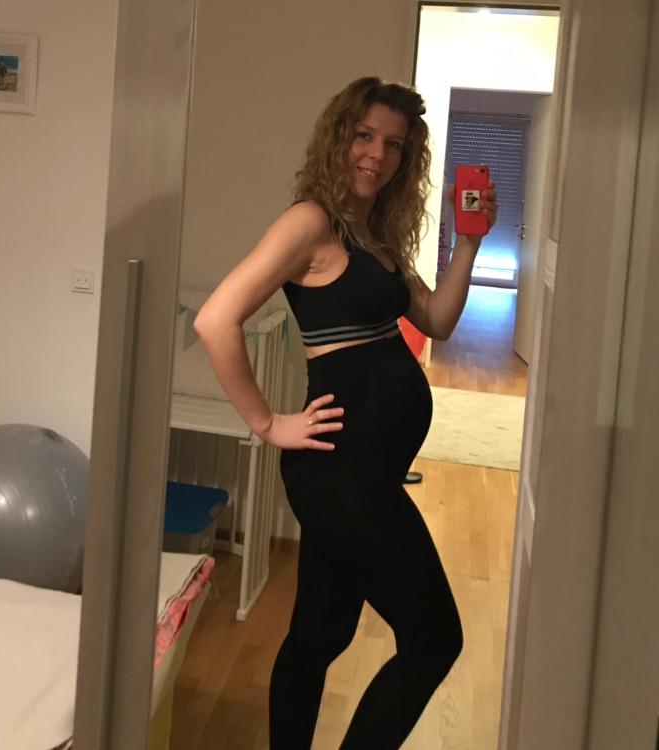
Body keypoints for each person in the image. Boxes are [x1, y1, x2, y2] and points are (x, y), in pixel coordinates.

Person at [194, 76, 497, 749]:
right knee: (434, 640)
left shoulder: (374, 232)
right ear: (339, 137)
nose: (376, 155)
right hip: (340, 472)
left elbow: (437, 319)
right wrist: (268, 423)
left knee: (319, 634)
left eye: (394, 144)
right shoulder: (311, 222)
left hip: (365, 470)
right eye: (364, 136)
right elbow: (216, 319)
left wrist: (469, 241)